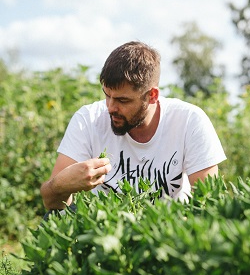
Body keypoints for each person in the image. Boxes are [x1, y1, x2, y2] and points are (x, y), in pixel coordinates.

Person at [40, 41, 226, 210]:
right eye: (107, 95)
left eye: (123, 100)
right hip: (105, 230)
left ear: (152, 95)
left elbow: (209, 203)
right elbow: (51, 203)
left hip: (171, 229)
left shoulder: (189, 120)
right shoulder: (87, 119)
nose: (111, 107)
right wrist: (62, 185)